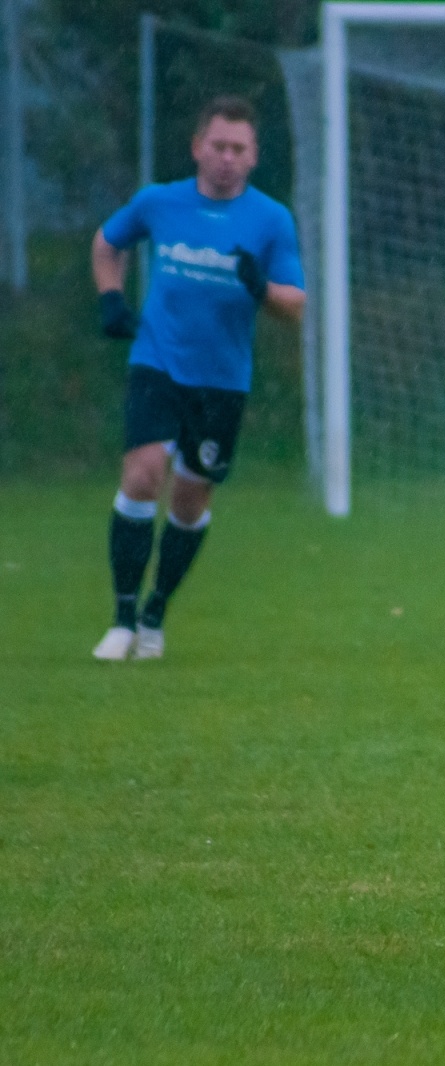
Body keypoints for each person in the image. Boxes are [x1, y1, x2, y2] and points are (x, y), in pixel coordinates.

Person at [90, 96, 305, 661]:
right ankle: (122, 618)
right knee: (142, 475)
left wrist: (262, 289)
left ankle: (157, 611)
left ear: (254, 156)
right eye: (218, 146)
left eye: (239, 149)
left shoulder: (271, 219)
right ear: (197, 148)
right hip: (157, 359)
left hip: (222, 381)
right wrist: (111, 299)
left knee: (188, 501)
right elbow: (108, 242)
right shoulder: (159, 202)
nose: (227, 158)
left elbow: (296, 304)